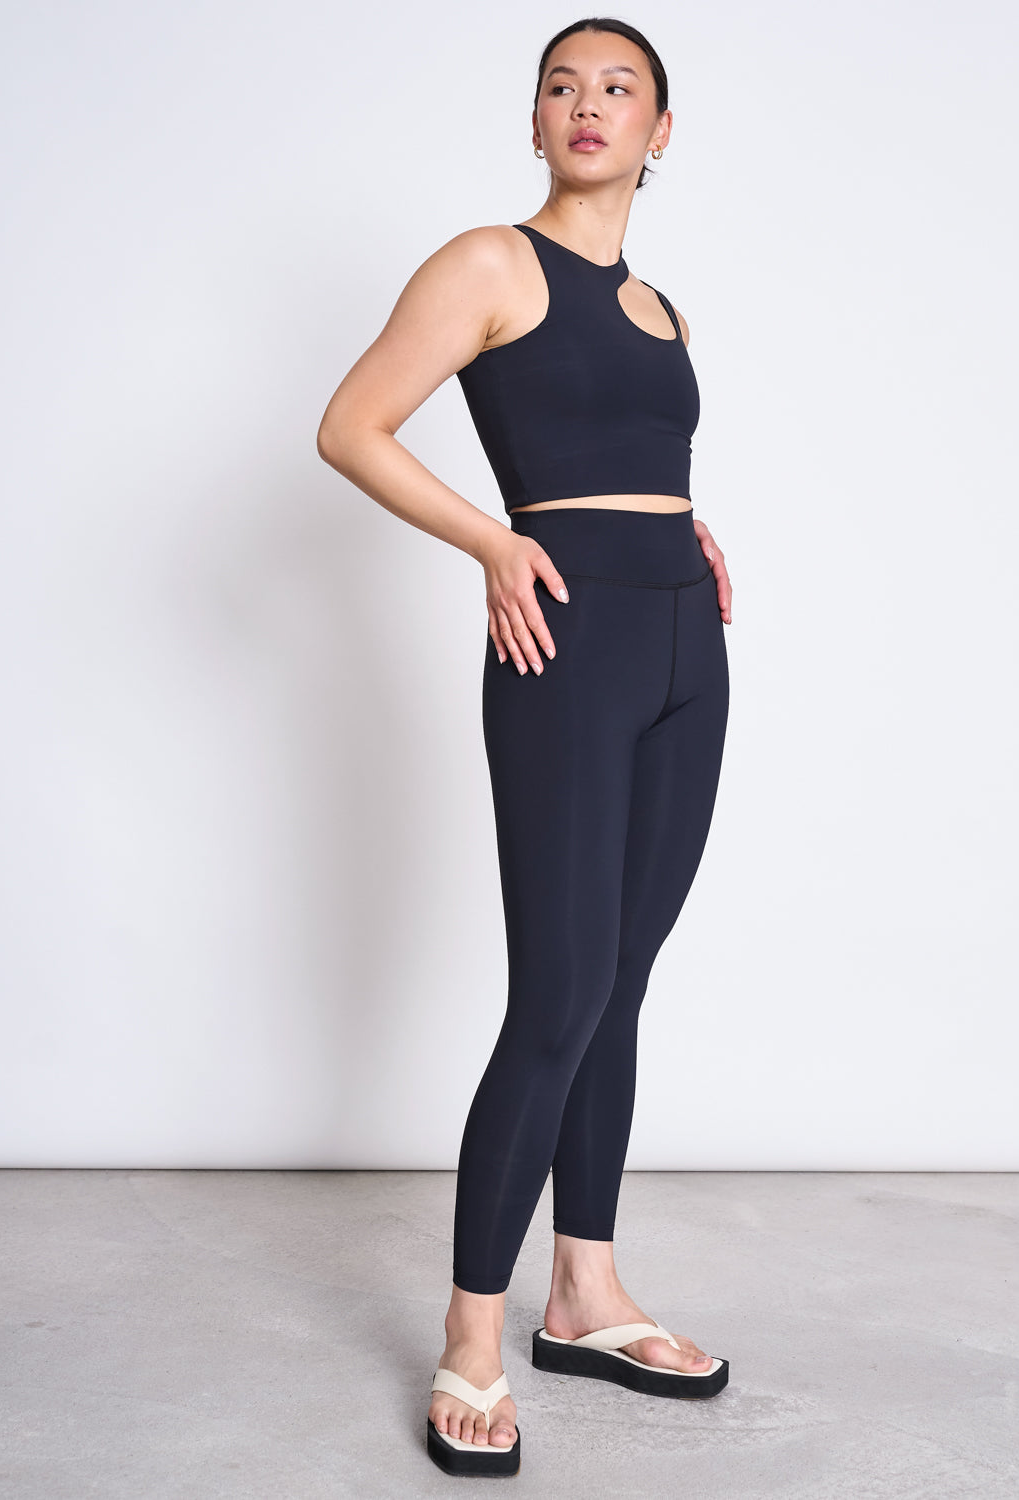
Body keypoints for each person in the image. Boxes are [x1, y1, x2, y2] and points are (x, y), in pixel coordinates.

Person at [317, 17, 732, 1478]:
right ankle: (475, 1340)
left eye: (621, 86)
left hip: (686, 643)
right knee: (556, 992)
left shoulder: (662, 308)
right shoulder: (492, 263)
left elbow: (632, 466)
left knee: (622, 980)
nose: (588, 103)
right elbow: (351, 426)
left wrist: (689, 541)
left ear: (662, 131)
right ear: (537, 121)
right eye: (563, 83)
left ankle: (587, 1292)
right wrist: (495, 540)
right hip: (565, 645)